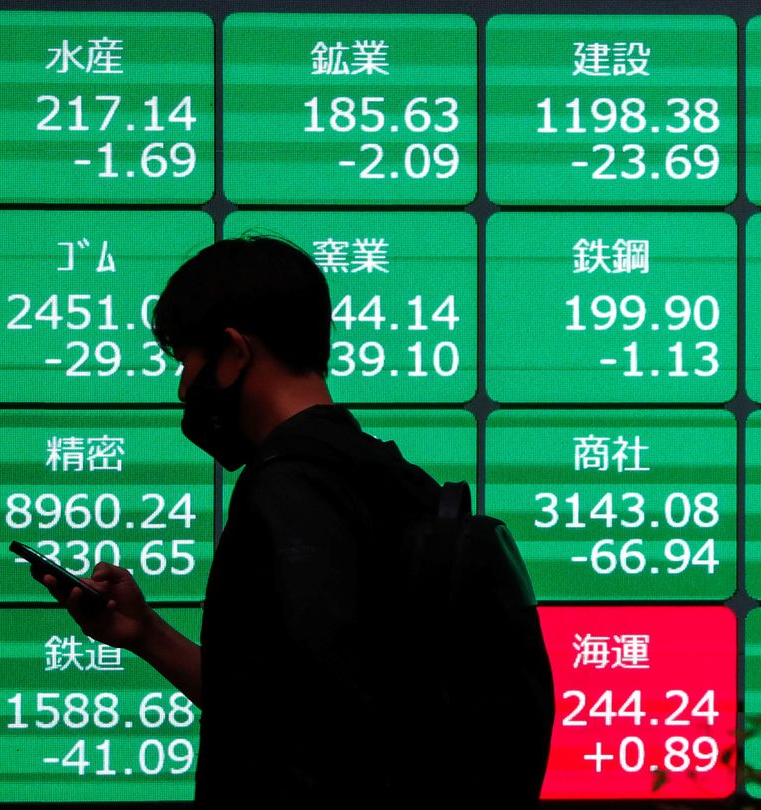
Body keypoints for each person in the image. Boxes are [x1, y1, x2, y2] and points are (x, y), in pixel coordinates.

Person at [35, 236, 522, 804]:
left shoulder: (287, 489)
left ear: (234, 351)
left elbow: (306, 742)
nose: (183, 388)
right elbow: (279, 709)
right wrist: (145, 633)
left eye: (188, 362)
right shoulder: (394, 480)